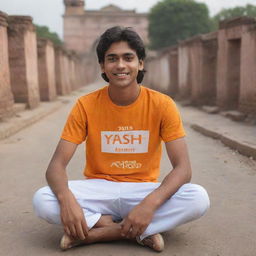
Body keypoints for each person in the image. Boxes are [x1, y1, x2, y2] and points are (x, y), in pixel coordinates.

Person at [33, 26, 210, 252]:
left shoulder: (162, 104)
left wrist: (149, 204)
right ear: (103, 67)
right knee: (43, 199)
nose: (120, 65)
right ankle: (136, 230)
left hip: (142, 189)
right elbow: (55, 167)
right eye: (112, 59)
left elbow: (183, 169)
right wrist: (67, 199)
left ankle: (99, 232)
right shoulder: (85, 105)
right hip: (99, 189)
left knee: (198, 198)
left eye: (128, 58)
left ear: (141, 63)